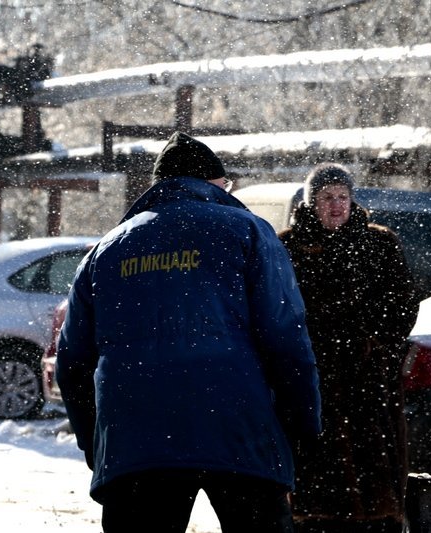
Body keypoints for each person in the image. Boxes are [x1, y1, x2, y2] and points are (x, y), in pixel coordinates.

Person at [56, 131, 321, 533]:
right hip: (240, 428)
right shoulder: (249, 232)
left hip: (137, 439)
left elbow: (72, 363)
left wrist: (98, 442)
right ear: (213, 183)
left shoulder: (105, 250)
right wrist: (303, 426)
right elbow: (286, 339)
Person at [278, 163, 419, 533]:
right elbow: (278, 309)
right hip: (314, 379)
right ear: (312, 203)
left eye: (343, 196)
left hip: (369, 381)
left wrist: (378, 345)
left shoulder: (379, 243)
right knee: (316, 486)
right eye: (327, 197)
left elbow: (403, 303)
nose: (336, 205)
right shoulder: (288, 246)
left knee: (375, 481)